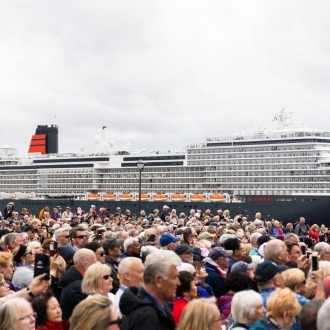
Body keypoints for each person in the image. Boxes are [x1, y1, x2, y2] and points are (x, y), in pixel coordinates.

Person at [120, 250, 181, 330]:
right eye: (174, 277)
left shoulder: (157, 307)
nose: (178, 283)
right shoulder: (146, 316)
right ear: (158, 280)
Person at [60, 248, 97, 320]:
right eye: (95, 262)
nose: (97, 265)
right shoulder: (79, 287)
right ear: (86, 265)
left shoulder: (76, 279)